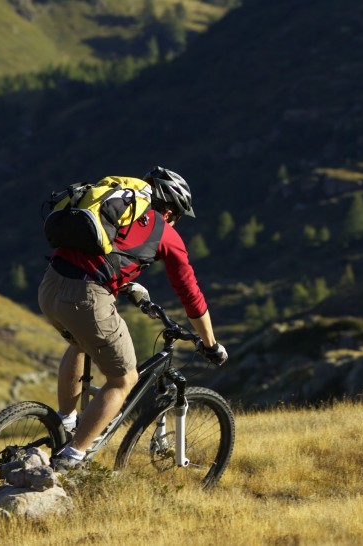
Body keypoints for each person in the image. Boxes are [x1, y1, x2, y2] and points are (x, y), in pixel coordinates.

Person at [37, 166, 227, 470]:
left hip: (50, 286)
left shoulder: (118, 211)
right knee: (124, 379)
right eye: (176, 216)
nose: (175, 222)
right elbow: (190, 293)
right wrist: (211, 343)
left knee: (80, 344)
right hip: (86, 297)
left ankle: (65, 421)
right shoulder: (164, 231)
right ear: (169, 209)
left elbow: (103, 254)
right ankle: (71, 458)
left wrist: (124, 284)